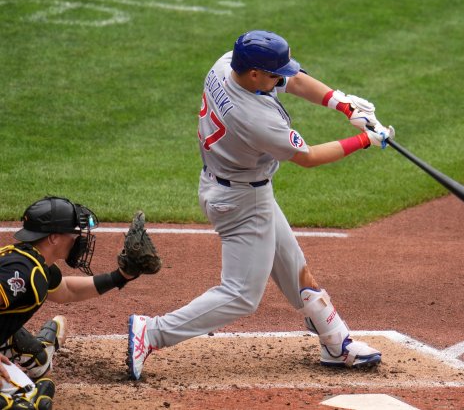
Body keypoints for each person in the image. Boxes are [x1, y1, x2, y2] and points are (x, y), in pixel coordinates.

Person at [126, 30, 395, 380]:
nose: (281, 77)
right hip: (241, 202)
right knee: (240, 295)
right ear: (254, 73)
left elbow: (293, 79)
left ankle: (335, 342)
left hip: (235, 187)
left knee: (294, 267)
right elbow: (309, 157)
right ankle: (153, 333)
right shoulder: (253, 117)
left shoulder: (226, 64)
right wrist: (365, 139)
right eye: (273, 73)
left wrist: (342, 104)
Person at [0, 196, 143, 409]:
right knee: (23, 402)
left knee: (37, 360)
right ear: (54, 238)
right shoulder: (22, 272)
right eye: (73, 232)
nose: (78, 239)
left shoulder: (36, 266)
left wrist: (120, 276)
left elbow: (67, 290)